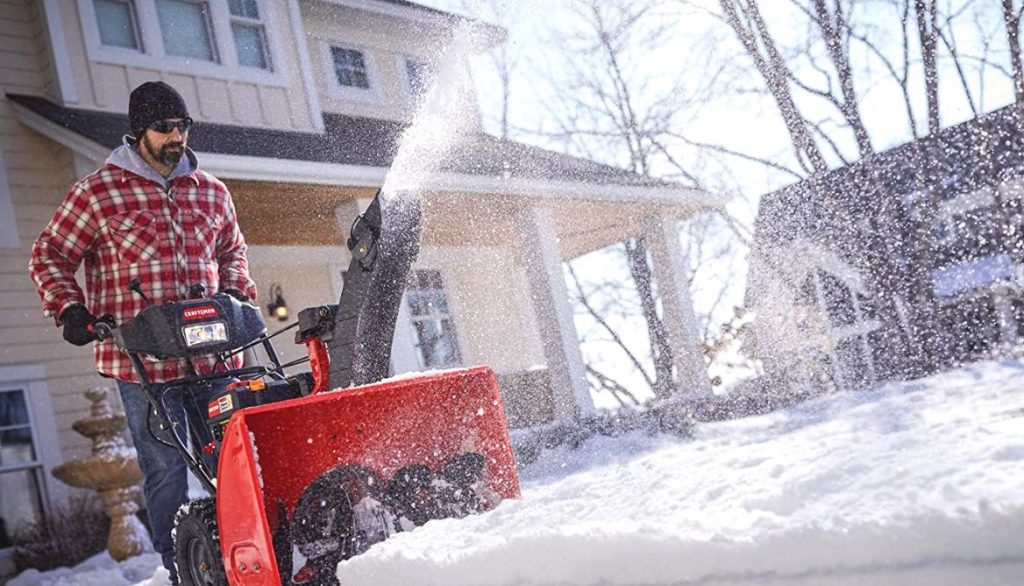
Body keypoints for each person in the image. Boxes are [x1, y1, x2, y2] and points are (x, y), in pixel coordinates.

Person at [29, 81, 257, 584]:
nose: (177, 136)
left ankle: (246, 549)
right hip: (142, 362)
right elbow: (50, 255)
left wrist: (237, 294)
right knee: (165, 468)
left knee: (232, 453)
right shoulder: (98, 192)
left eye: (182, 126)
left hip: (213, 353)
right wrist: (69, 309)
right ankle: (182, 568)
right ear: (138, 132)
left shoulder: (211, 191)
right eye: (164, 127)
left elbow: (231, 252)